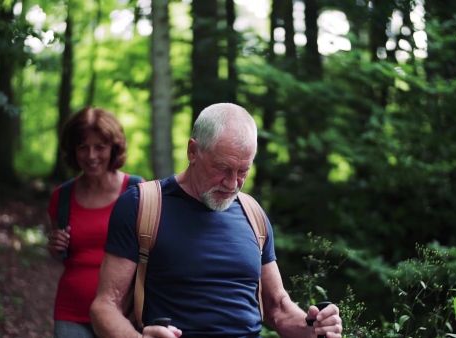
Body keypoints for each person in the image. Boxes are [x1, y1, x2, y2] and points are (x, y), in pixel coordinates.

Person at [89, 103, 343, 338]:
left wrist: (314, 327)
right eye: (222, 168)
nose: (233, 184)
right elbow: (105, 306)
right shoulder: (142, 205)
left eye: (243, 171)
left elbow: (277, 306)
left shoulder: (253, 214)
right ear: (193, 151)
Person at [46, 107, 144, 338]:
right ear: (73, 150)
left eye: (100, 147)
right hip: (71, 312)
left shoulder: (136, 191)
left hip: (124, 315)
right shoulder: (62, 196)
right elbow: (62, 256)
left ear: (114, 148)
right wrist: (55, 247)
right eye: (83, 147)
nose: (91, 156)